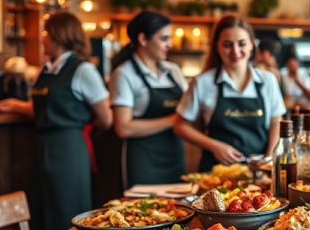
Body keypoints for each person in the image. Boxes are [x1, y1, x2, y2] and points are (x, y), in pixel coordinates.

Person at [0, 12, 112, 230]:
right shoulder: (45, 70)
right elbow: (42, 109)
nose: (42, 37)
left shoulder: (83, 70)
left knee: (66, 210)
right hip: (43, 146)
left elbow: (105, 118)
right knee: (43, 209)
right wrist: (15, 106)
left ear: (59, 35)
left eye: (46, 32)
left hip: (69, 148)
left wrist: (78, 126)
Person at [174, 15, 286, 171]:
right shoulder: (203, 82)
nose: (235, 51)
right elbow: (180, 126)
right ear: (217, 47)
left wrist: (268, 160)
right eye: (227, 45)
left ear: (251, 46)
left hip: (259, 174)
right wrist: (214, 146)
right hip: (215, 174)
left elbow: (276, 123)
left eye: (242, 44)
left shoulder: (268, 80)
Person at [109, 11, 188, 187]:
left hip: (175, 154)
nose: (170, 44)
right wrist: (173, 120)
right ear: (143, 39)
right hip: (142, 160)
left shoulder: (173, 71)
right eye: (164, 39)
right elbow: (123, 128)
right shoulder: (124, 74)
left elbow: (191, 108)